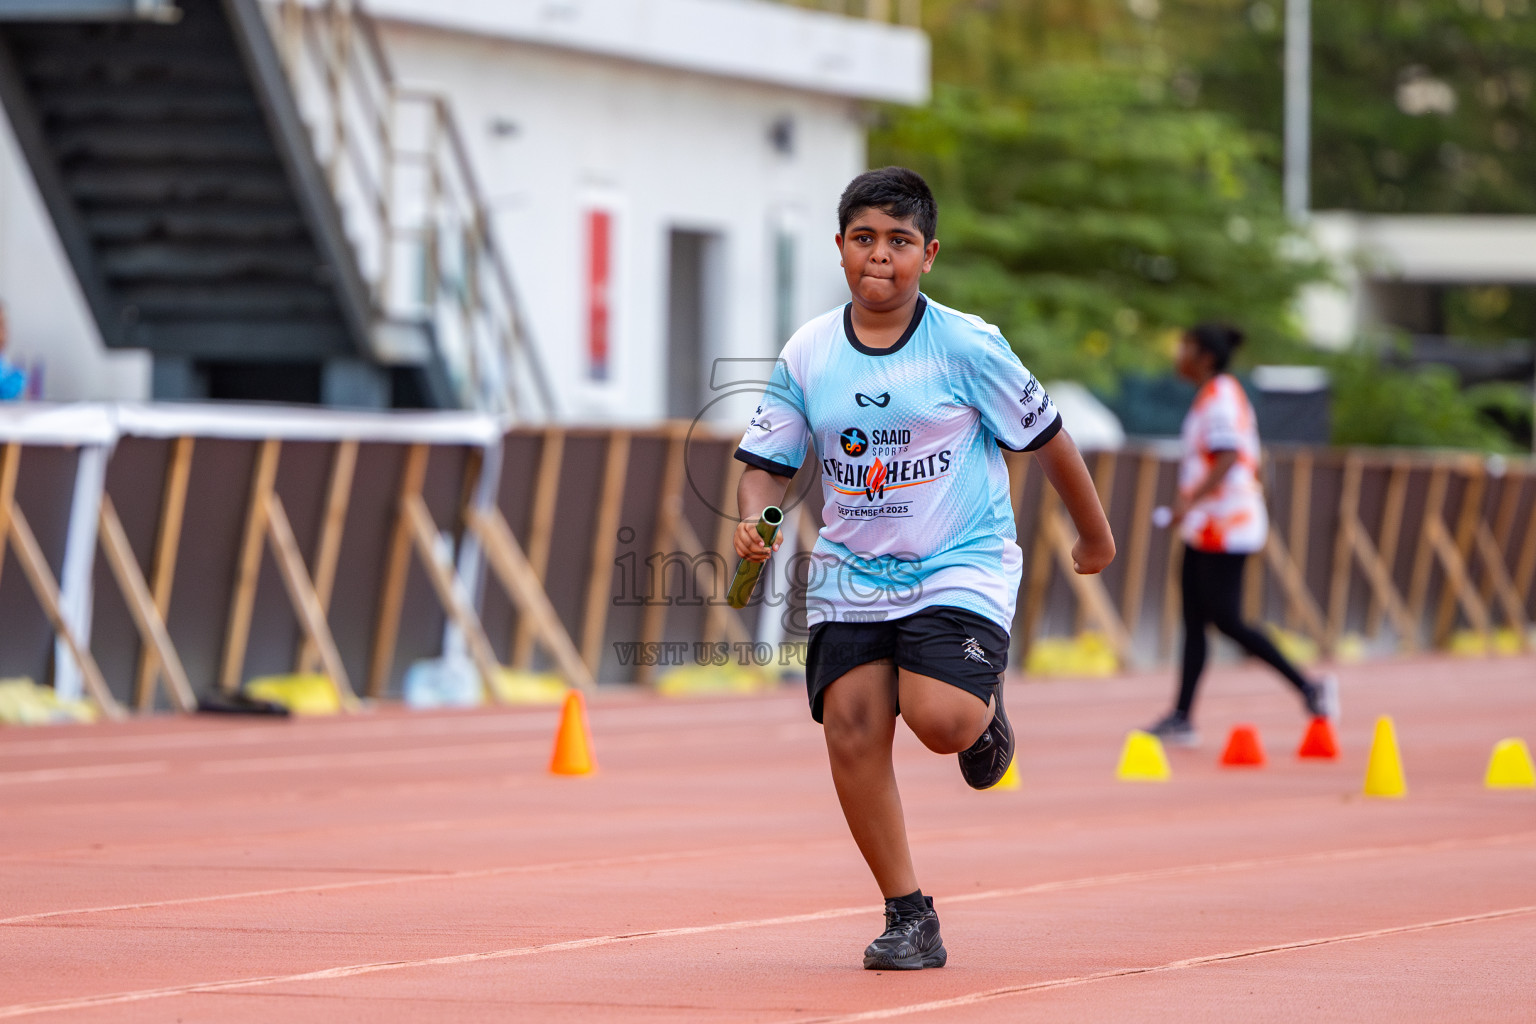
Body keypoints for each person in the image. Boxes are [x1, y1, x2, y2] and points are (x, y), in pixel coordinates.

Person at [732, 167, 1115, 971]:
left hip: (957, 562)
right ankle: (910, 916)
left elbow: (1048, 441)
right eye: (865, 239)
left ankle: (984, 705)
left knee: (941, 720)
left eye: (899, 242)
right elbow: (767, 462)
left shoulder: (967, 343)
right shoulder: (808, 351)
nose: (881, 257)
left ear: (927, 255)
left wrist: (1095, 536)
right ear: (840, 248)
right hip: (850, 570)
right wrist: (755, 515)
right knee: (852, 728)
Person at [1144, 323, 1337, 748]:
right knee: (1195, 619)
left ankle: (1309, 687)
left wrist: (1189, 501)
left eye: (1187, 348)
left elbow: (1229, 455)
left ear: (1206, 357)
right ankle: (1182, 716)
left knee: (1226, 620)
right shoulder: (1213, 394)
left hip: (1225, 527)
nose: (1180, 355)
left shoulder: (1223, 397)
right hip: (1209, 525)